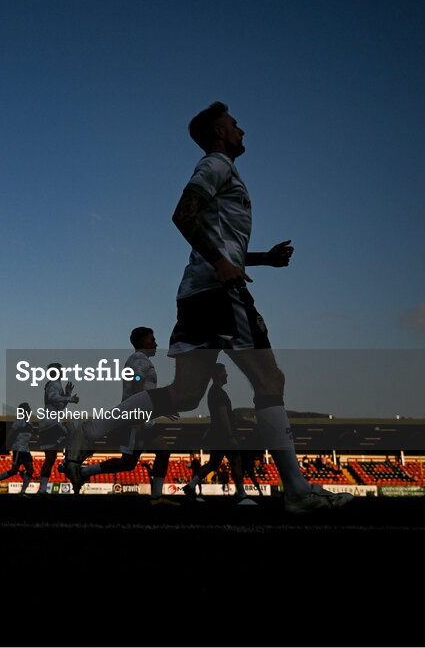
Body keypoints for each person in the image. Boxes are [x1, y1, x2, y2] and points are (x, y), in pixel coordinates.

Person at [68, 102, 352, 514]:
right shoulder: (216, 165)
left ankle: (89, 431)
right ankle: (297, 490)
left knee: (184, 394)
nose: (243, 130)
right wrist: (223, 265)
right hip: (219, 292)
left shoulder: (222, 171)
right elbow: (182, 215)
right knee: (270, 380)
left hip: (197, 292)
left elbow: (218, 242)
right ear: (219, 133)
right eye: (235, 125)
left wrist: (258, 259)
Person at [69, 327, 177, 505]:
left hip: (143, 417)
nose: (156, 343)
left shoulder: (140, 360)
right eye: (152, 339)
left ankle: (156, 497)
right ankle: (82, 473)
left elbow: (144, 390)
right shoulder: (139, 360)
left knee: (149, 456)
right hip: (136, 419)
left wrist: (161, 408)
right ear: (143, 342)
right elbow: (137, 386)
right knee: (133, 461)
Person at [183, 364, 261, 504]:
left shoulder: (214, 391)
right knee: (235, 461)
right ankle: (241, 494)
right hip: (224, 435)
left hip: (219, 434)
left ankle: (191, 486)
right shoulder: (218, 392)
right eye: (225, 372)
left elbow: (218, 417)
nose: (227, 375)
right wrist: (231, 436)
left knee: (213, 463)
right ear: (219, 374)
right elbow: (222, 415)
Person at [35, 364, 78, 498]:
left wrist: (67, 394)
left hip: (47, 424)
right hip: (51, 423)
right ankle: (65, 464)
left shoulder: (55, 384)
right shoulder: (54, 384)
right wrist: (69, 398)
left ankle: (42, 490)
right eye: (60, 369)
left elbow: (59, 406)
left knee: (50, 459)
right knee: (74, 432)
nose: (62, 371)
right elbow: (53, 397)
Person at [0, 403, 34, 495]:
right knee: (14, 471)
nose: (29, 410)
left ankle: (23, 492)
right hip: (19, 449)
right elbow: (10, 433)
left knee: (30, 470)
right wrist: (6, 444)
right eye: (27, 408)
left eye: (29, 408)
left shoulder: (29, 422)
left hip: (26, 449)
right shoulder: (19, 421)